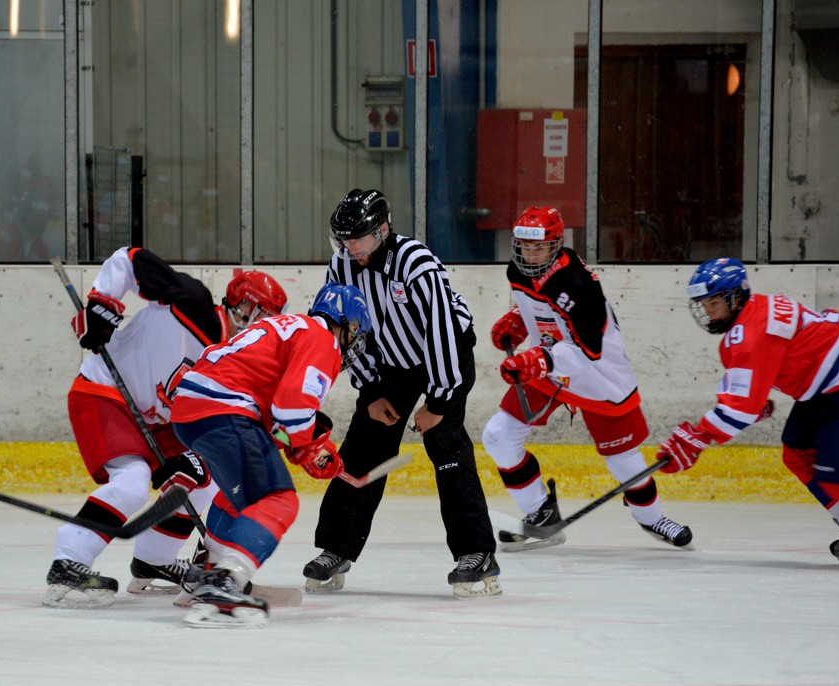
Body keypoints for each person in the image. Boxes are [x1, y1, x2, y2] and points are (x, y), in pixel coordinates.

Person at [43, 246, 288, 608]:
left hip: (158, 422)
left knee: (205, 479)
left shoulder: (237, 366)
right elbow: (129, 259)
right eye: (261, 316)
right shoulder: (191, 303)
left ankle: (153, 560)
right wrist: (102, 305)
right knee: (132, 482)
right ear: (244, 308)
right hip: (105, 391)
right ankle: (69, 561)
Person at [303, 189, 501, 599]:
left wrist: (439, 403)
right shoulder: (343, 264)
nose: (349, 248)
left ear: (382, 230)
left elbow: (443, 331)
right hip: (391, 361)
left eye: (357, 239)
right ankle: (337, 546)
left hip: (444, 353)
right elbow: (346, 330)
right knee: (364, 443)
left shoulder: (415, 263)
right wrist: (371, 389)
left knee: (445, 443)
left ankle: (477, 552)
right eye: (343, 239)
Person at [657, 257, 839, 567]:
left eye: (714, 302)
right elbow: (765, 373)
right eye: (704, 304)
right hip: (823, 385)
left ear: (735, 297)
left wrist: (698, 436)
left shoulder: (749, 335)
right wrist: (749, 404)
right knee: (798, 455)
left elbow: (739, 408)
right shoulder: (752, 314)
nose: (708, 311)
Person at [483, 206, 692, 551]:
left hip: (597, 374)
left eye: (539, 247)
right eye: (524, 246)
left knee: (624, 461)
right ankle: (540, 514)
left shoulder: (576, 285)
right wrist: (520, 318)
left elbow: (588, 352)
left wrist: (538, 360)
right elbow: (539, 304)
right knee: (497, 436)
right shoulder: (518, 270)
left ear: (555, 246)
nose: (529, 255)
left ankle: (652, 518)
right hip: (549, 366)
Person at [169, 282, 371, 627]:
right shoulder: (322, 339)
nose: (354, 340)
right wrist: (307, 447)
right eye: (354, 330)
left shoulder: (285, 326)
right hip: (225, 409)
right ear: (345, 323)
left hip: (191, 410)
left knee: (240, 497)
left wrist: (303, 445)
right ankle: (225, 582)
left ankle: (205, 575)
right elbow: (292, 409)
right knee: (278, 500)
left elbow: (275, 413)